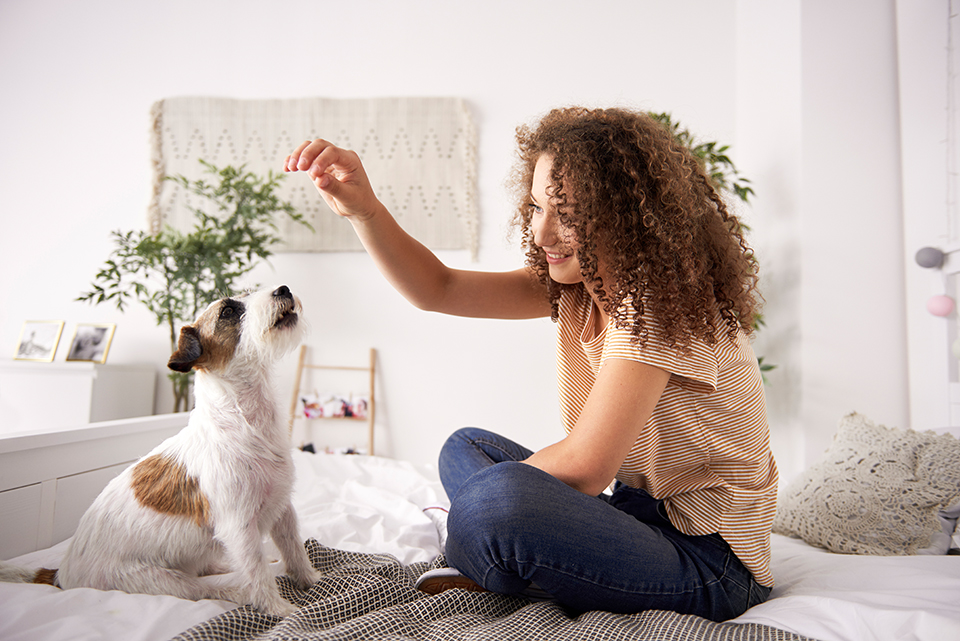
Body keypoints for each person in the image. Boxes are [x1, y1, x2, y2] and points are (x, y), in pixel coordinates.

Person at [284, 106, 777, 622]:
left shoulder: (658, 305)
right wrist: (365, 211)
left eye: (566, 214)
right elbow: (438, 288)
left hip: (714, 563)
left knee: (497, 499)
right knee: (466, 448)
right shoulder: (584, 287)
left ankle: (494, 549)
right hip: (636, 514)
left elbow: (587, 468)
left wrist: (497, 499)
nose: (542, 235)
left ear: (626, 214)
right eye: (538, 207)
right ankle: (503, 546)